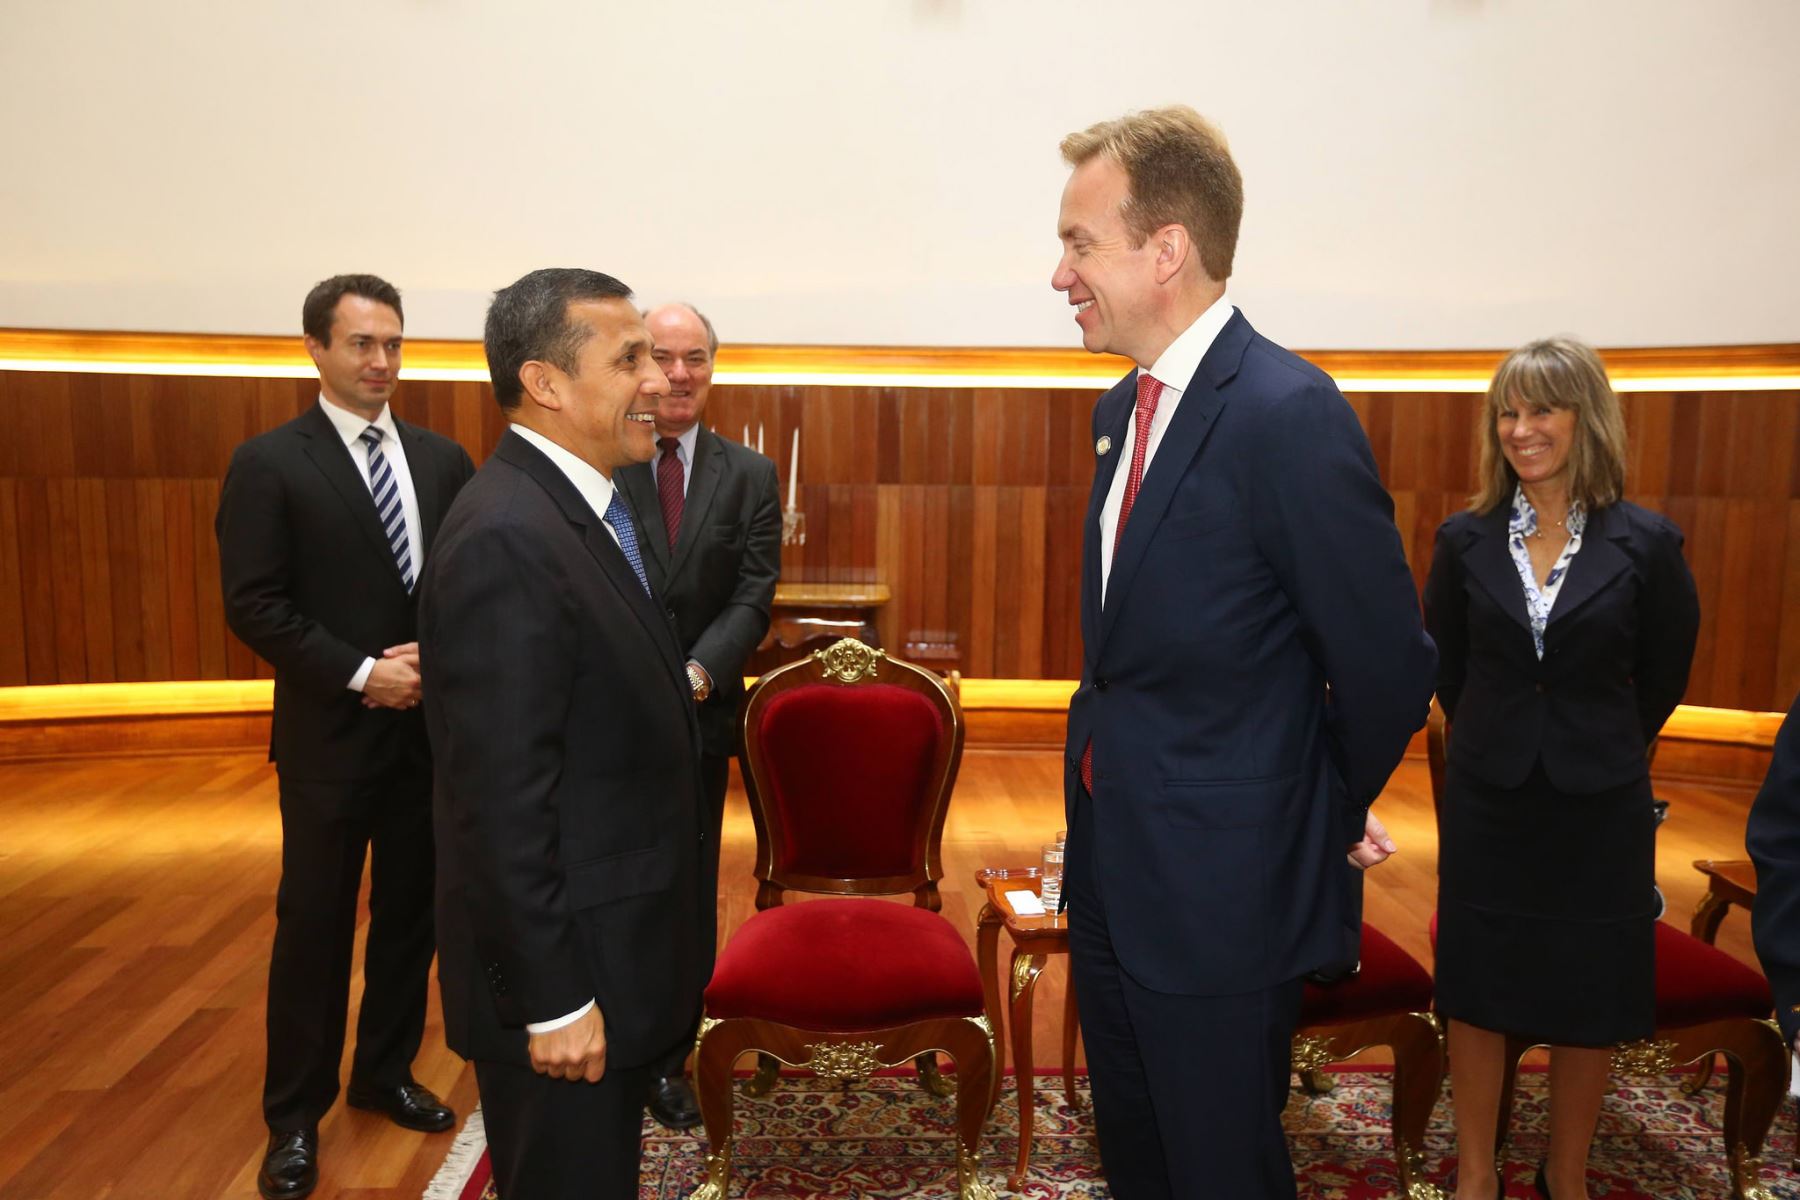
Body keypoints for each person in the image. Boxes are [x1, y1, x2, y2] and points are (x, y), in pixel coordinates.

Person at [1053, 106, 1437, 1199]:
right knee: (1139, 1158)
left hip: (1224, 898)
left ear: (1165, 249)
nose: (1060, 274)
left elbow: (1388, 664)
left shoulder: (1285, 412)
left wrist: (1308, 807)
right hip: (1116, 875)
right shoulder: (1121, 411)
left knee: (1221, 1168)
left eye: (1080, 244)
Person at [418, 268, 710, 1198]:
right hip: (566, 980)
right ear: (545, 383)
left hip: (609, 951)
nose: (659, 380)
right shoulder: (509, 534)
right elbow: (499, 803)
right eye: (629, 361)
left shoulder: (578, 506)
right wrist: (553, 999)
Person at [215, 274, 475, 1200]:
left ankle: (384, 1073)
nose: (381, 361)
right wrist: (366, 673)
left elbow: (466, 585)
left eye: (393, 344)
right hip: (330, 736)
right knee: (315, 928)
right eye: (362, 343)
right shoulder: (269, 463)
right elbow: (255, 604)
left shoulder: (443, 460)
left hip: (426, 738)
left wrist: (435, 660)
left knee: (412, 916)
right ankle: (293, 1118)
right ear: (316, 349)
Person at [1423, 337, 1699, 1200]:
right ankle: (1476, 1174)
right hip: (1490, 800)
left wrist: (1599, 740)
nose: (1521, 428)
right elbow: (1449, 668)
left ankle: (1564, 1175)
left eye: (1542, 409)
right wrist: (1502, 734)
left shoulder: (1649, 544)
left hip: (1600, 806)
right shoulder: (1462, 540)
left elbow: (1664, 674)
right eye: (1507, 412)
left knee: (1591, 992)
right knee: (1477, 986)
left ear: (1588, 418)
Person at [613, 301, 780, 1128]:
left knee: (685, 891)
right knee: (613, 887)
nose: (679, 375)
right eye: (663, 357)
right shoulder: (604, 459)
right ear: (640, 365)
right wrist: (643, 680)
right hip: (606, 716)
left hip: (701, 720)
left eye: (697, 358)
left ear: (714, 367)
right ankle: (610, 1040)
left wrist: (696, 677)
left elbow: (752, 596)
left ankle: (670, 1055)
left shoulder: (749, 475)